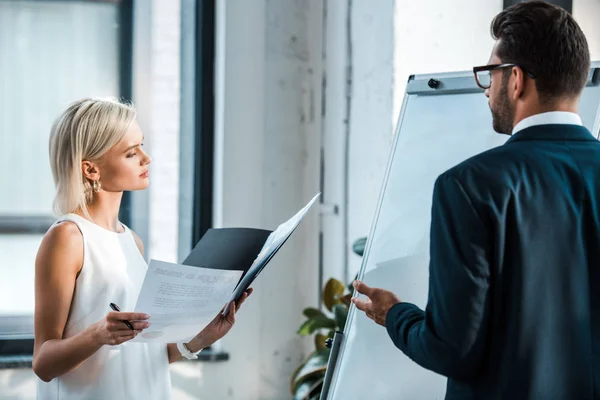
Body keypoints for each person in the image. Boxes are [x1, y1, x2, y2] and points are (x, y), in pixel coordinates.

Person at [352, 2, 598, 399]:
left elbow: (452, 351)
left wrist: (395, 315)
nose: (487, 90)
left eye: (490, 75)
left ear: (516, 80)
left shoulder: (468, 186)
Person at [32, 98, 251, 400]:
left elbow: (144, 354)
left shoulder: (131, 240)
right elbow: (43, 363)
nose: (146, 159)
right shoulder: (68, 237)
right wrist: (98, 334)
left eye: (142, 147)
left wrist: (200, 338)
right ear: (91, 169)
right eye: (131, 153)